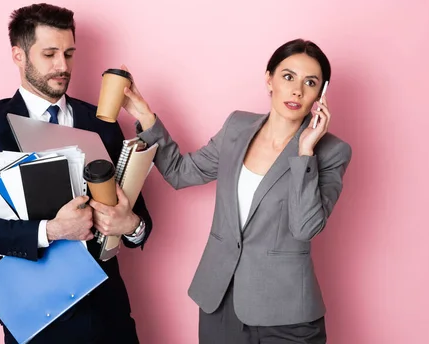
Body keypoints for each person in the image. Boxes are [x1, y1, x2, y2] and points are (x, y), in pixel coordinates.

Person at [122, 39, 352, 344]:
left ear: (321, 94)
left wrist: (305, 152)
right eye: (288, 76)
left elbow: (304, 227)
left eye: (310, 82)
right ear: (269, 79)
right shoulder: (236, 128)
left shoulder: (332, 152)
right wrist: (145, 115)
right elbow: (181, 173)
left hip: (287, 315)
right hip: (220, 301)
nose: (297, 90)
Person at [0, 3, 152, 344]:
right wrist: (52, 230)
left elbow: (141, 219)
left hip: (106, 313)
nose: (63, 66)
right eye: (49, 54)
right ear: (19, 55)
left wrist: (131, 226)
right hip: (36, 316)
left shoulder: (101, 123)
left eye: (69, 53)